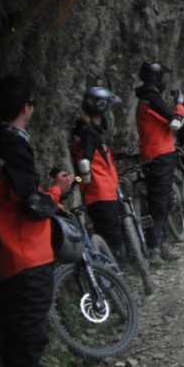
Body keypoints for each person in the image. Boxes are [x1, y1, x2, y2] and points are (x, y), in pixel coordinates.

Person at [0, 75, 74, 367]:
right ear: (27, 107)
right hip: (25, 257)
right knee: (31, 335)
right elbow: (33, 207)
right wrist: (57, 190)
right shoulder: (13, 148)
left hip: (4, 256)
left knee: (19, 332)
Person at [134, 61, 184, 262]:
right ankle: (155, 248)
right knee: (159, 202)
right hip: (159, 156)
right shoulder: (151, 99)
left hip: (154, 154)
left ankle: (160, 244)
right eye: (161, 77)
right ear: (155, 79)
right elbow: (174, 121)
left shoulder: (146, 99)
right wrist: (180, 105)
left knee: (162, 201)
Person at [71, 86, 124, 261]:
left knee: (112, 240)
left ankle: (114, 281)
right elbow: (84, 162)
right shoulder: (89, 134)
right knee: (114, 243)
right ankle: (117, 282)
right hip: (100, 195)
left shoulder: (89, 132)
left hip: (103, 194)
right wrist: (84, 180)